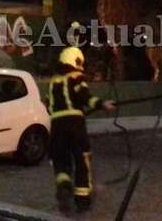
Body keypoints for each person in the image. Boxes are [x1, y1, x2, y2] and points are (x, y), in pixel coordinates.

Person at [48, 46, 116, 213]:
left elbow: (48, 105)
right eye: (80, 62)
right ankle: (82, 201)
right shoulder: (77, 77)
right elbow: (85, 96)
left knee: (61, 161)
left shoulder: (53, 82)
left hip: (56, 127)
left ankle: (64, 186)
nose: (81, 66)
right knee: (81, 161)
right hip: (75, 125)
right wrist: (102, 104)